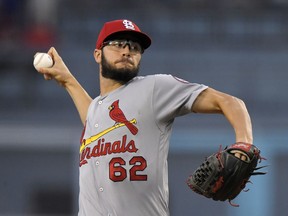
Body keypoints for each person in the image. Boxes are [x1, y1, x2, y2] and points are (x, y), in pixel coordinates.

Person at [36, 19, 252, 216]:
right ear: (97, 54)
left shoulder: (154, 88)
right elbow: (94, 121)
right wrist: (68, 81)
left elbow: (230, 102)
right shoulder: (98, 112)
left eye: (135, 47)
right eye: (119, 43)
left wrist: (244, 144)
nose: (127, 50)